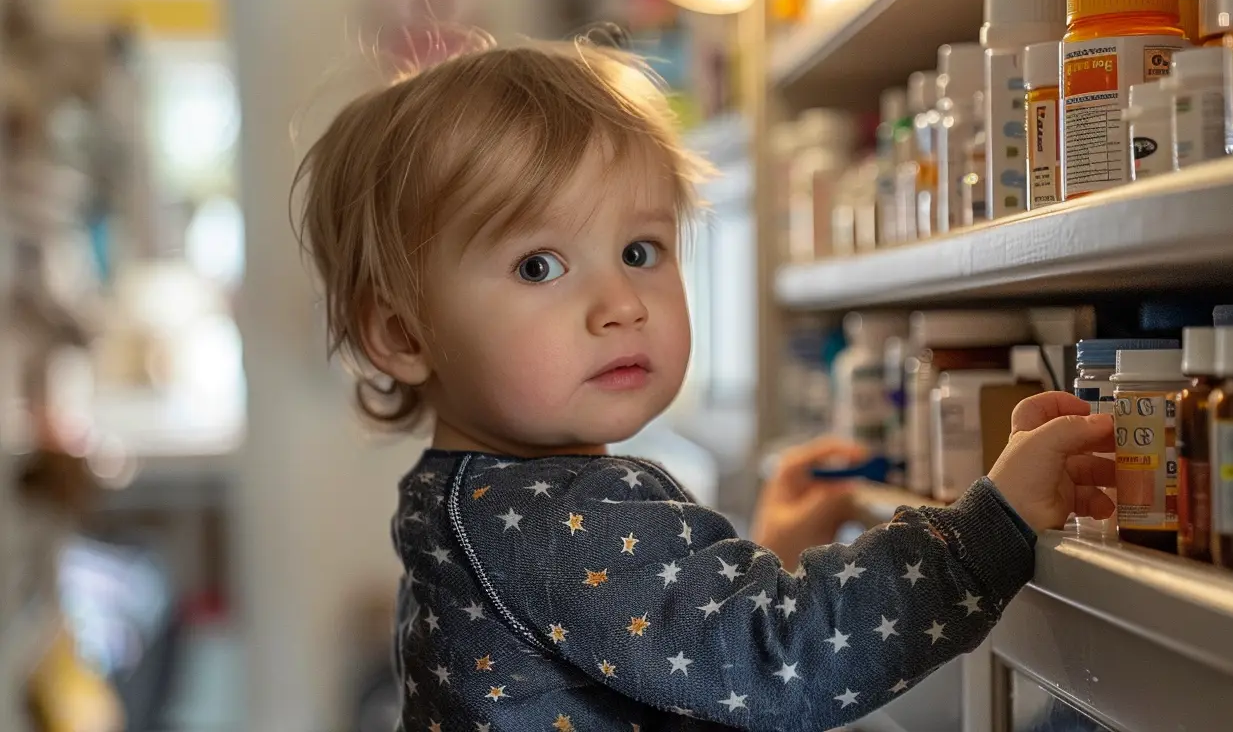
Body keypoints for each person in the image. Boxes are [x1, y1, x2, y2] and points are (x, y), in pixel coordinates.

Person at [294, 39, 1115, 731]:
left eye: (641, 251)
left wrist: (775, 555)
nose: (619, 304)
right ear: (402, 334)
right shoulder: (546, 521)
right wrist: (985, 533)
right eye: (538, 266)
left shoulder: (486, 500)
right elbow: (779, 665)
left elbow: (663, 661)